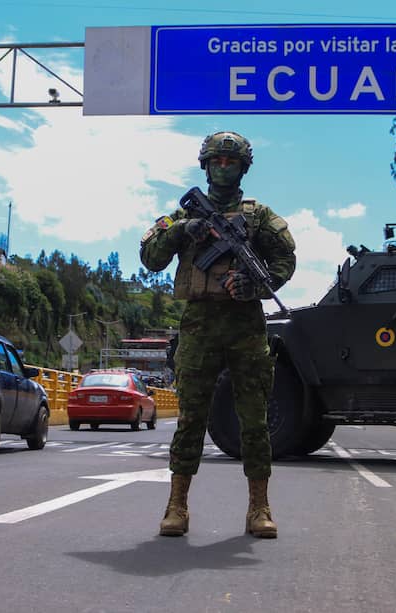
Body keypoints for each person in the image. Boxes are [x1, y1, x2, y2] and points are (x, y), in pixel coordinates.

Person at [140, 131, 296, 539]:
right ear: (205, 166)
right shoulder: (179, 216)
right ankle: (177, 506)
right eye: (216, 161)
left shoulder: (259, 216)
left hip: (245, 326)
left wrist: (255, 285)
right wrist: (181, 231)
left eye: (231, 162)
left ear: (243, 168)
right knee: (191, 417)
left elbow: (284, 259)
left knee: (254, 421)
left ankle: (259, 507)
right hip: (198, 325)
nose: (223, 168)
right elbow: (150, 258)